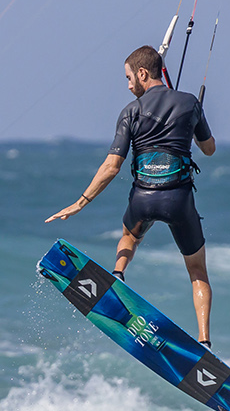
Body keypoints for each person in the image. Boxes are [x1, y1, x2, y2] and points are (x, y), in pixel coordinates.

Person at [46, 45, 217, 345]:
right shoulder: (189, 103)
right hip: (178, 200)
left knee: (129, 236)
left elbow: (112, 166)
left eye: (128, 78)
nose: (128, 86)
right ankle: (204, 341)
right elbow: (209, 148)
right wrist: (192, 119)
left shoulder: (131, 112)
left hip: (143, 198)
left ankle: (118, 274)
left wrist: (80, 203)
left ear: (142, 73)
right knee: (198, 271)